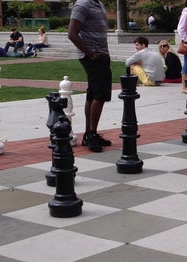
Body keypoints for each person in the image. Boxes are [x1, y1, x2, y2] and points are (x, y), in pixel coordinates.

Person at [68, 0, 113, 153]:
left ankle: (89, 133)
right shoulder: (82, 4)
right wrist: (91, 54)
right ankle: (91, 134)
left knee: (93, 93)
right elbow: (72, 34)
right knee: (100, 94)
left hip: (101, 54)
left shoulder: (98, 3)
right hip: (93, 56)